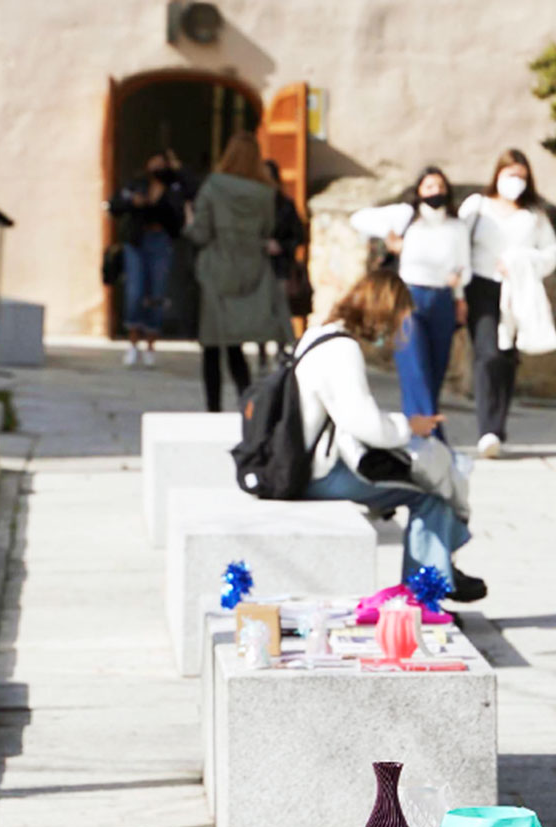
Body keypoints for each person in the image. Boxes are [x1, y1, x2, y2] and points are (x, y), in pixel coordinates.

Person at [294, 270, 488, 602]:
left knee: (429, 482)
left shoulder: (319, 336)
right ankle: (424, 596)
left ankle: (439, 574)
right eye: (400, 317)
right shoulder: (342, 349)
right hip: (320, 474)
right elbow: (364, 423)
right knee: (431, 496)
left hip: (309, 462)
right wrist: (409, 428)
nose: (399, 328)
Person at [459, 149, 556, 459]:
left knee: (506, 358)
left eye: (521, 177)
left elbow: (550, 253)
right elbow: (458, 243)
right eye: (510, 175)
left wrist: (520, 262)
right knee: (487, 354)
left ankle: (497, 427)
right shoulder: (477, 207)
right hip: (481, 285)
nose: (515, 182)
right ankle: (486, 428)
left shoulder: (534, 214)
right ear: (497, 175)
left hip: (518, 289)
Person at [350, 167, 471, 423]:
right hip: (408, 298)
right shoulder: (406, 217)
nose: (435, 191)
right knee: (414, 367)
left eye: (440, 186)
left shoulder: (456, 226)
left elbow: (464, 265)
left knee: (436, 371)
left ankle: (420, 431)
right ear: (418, 191)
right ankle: (430, 429)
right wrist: (388, 236)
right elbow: (357, 219)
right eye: (429, 186)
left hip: (442, 299)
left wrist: (459, 293)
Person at [185, 133, 292, 411]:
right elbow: (267, 230)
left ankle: (213, 409)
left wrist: (188, 222)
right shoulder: (265, 193)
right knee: (235, 345)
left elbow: (201, 233)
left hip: (217, 269)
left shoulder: (213, 186)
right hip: (252, 269)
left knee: (212, 344)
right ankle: (247, 406)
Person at [106, 151, 186, 367]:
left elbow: (179, 218)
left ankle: (151, 344)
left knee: (156, 293)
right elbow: (115, 205)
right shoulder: (136, 184)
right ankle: (132, 343)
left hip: (161, 241)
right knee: (135, 290)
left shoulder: (174, 188)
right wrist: (133, 202)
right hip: (137, 241)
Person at [262, 158, 313, 366]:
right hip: (258, 264)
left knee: (280, 306)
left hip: (280, 265)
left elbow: (299, 236)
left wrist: (281, 246)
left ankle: (285, 348)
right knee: (262, 309)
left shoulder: (286, 206)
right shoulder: (253, 206)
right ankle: (262, 352)